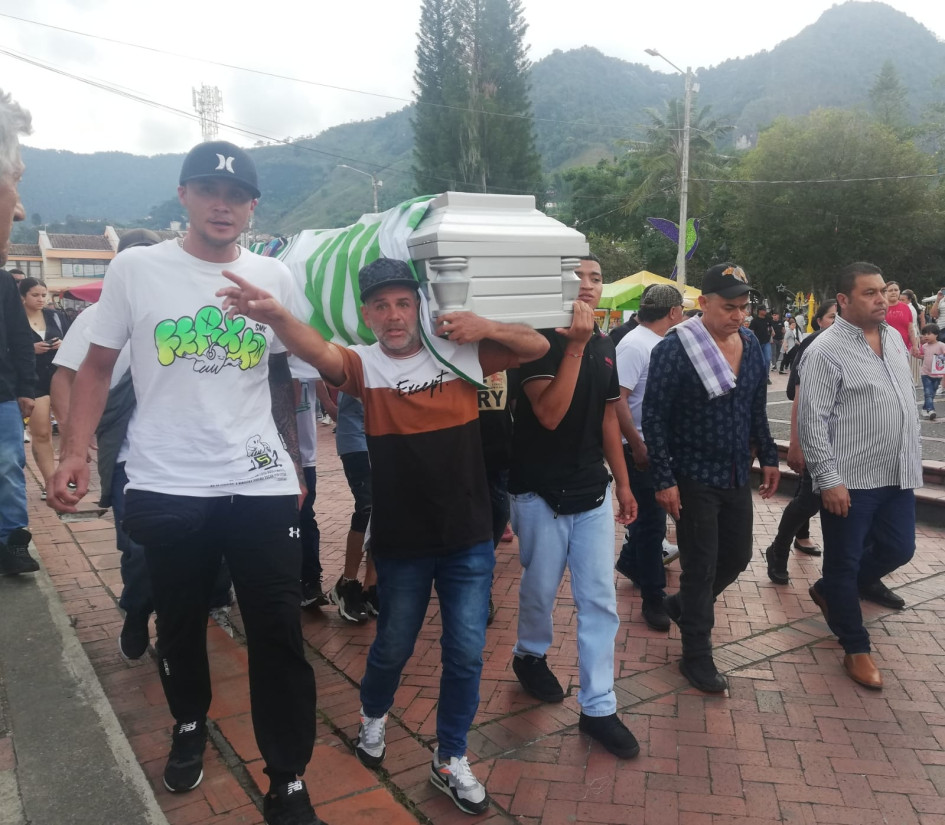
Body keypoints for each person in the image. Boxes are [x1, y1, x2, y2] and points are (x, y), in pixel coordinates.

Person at [49, 141, 326, 825]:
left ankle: (287, 775)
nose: (222, 204)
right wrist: (75, 449)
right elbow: (94, 364)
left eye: (236, 195)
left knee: (277, 628)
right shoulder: (137, 269)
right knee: (178, 620)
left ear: (253, 205)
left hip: (257, 476)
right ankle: (188, 720)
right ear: (184, 196)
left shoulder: (273, 276)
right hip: (166, 476)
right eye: (207, 190)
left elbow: (287, 373)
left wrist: (290, 459)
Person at [215, 256, 549, 815]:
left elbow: (536, 347)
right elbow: (316, 351)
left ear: (418, 305)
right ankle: (374, 714)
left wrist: (484, 326)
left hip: (468, 535)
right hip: (402, 541)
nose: (393, 316)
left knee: (466, 652)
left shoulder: (459, 352)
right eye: (380, 306)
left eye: (402, 303)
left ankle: (450, 756)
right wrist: (275, 316)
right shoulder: (363, 366)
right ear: (367, 314)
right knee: (393, 645)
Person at [506, 254, 638, 758]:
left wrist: (623, 484)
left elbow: (607, 419)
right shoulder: (536, 341)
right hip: (538, 491)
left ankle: (599, 706)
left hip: (592, 491)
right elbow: (550, 414)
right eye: (576, 276)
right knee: (540, 588)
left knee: (599, 599)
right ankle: (529, 654)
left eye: (595, 278)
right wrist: (575, 347)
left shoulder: (605, 345)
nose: (587, 286)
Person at [643, 263, 780, 693]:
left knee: (737, 557)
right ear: (702, 304)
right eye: (728, 307)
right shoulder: (676, 348)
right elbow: (654, 417)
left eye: (743, 307)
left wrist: (770, 456)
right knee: (700, 568)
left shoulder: (752, 344)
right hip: (693, 476)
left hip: (737, 471)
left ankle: (683, 606)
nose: (738, 315)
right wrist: (663, 479)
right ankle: (696, 654)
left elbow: (756, 407)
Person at [799, 262, 922, 690]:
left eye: (883, 292)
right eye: (869, 293)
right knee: (844, 562)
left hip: (897, 472)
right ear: (844, 300)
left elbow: (904, 397)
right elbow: (812, 422)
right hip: (851, 481)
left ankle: (832, 589)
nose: (882, 300)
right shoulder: (824, 350)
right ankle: (855, 646)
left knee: (900, 548)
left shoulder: (892, 337)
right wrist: (829, 479)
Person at [613, 284, 685, 631]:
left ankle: (632, 562)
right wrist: (637, 445)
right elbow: (618, 400)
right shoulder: (635, 344)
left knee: (648, 522)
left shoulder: (660, 343)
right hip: (641, 449)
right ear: (673, 312)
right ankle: (653, 598)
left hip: (661, 446)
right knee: (652, 524)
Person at [764, 299, 838, 583]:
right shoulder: (815, 345)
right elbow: (799, 398)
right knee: (810, 498)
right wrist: (796, 443)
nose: (837, 321)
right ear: (819, 320)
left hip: (854, 443)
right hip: (819, 437)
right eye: (832, 316)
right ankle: (779, 548)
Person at [0, 87, 40, 577]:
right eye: (15, 180)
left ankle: (12, 541)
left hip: (4, 394)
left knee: (10, 471)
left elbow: (18, 339)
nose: (21, 212)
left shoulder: (4, 285)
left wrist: (25, 390)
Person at [329, 390, 377, 622]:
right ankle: (347, 584)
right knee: (367, 508)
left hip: (384, 436)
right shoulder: (356, 352)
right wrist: (328, 405)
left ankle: (370, 587)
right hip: (356, 438)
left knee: (384, 511)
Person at [18, 277, 63, 495]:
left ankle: (65, 475)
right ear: (23, 297)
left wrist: (64, 344)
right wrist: (29, 348)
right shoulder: (15, 318)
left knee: (68, 429)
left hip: (59, 376)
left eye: (43, 295)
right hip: (32, 379)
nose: (40, 299)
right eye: (35, 295)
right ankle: (50, 482)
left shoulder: (55, 315)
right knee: (42, 432)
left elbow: (76, 339)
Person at [915, 323, 945, 420]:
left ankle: (925, 408)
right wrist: (917, 354)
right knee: (928, 392)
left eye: (928, 334)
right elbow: (922, 356)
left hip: (937, 374)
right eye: (924, 334)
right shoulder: (924, 346)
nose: (926, 336)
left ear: (936, 334)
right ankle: (931, 410)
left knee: (932, 393)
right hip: (926, 373)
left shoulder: (941, 345)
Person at [748, 306, 773, 384]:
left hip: (766, 342)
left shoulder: (768, 319)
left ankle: (766, 377)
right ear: (759, 311)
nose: (765, 311)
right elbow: (751, 331)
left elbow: (770, 328)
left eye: (766, 310)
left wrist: (771, 336)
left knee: (767, 359)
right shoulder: (754, 321)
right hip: (757, 343)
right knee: (757, 361)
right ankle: (757, 376)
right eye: (764, 310)